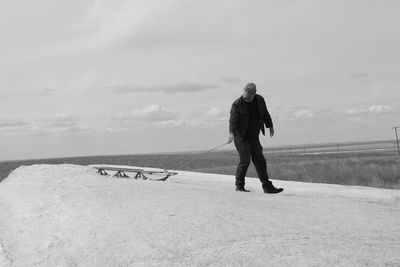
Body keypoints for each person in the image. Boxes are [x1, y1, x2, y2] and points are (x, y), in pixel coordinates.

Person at [228, 82, 283, 194]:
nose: (245, 99)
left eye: (248, 98)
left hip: (254, 137)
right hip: (241, 137)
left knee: (260, 160)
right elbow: (233, 121)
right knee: (245, 161)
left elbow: (265, 113)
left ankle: (267, 187)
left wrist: (270, 126)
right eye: (244, 97)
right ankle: (239, 186)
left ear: (254, 94)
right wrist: (231, 133)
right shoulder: (237, 104)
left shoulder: (260, 100)